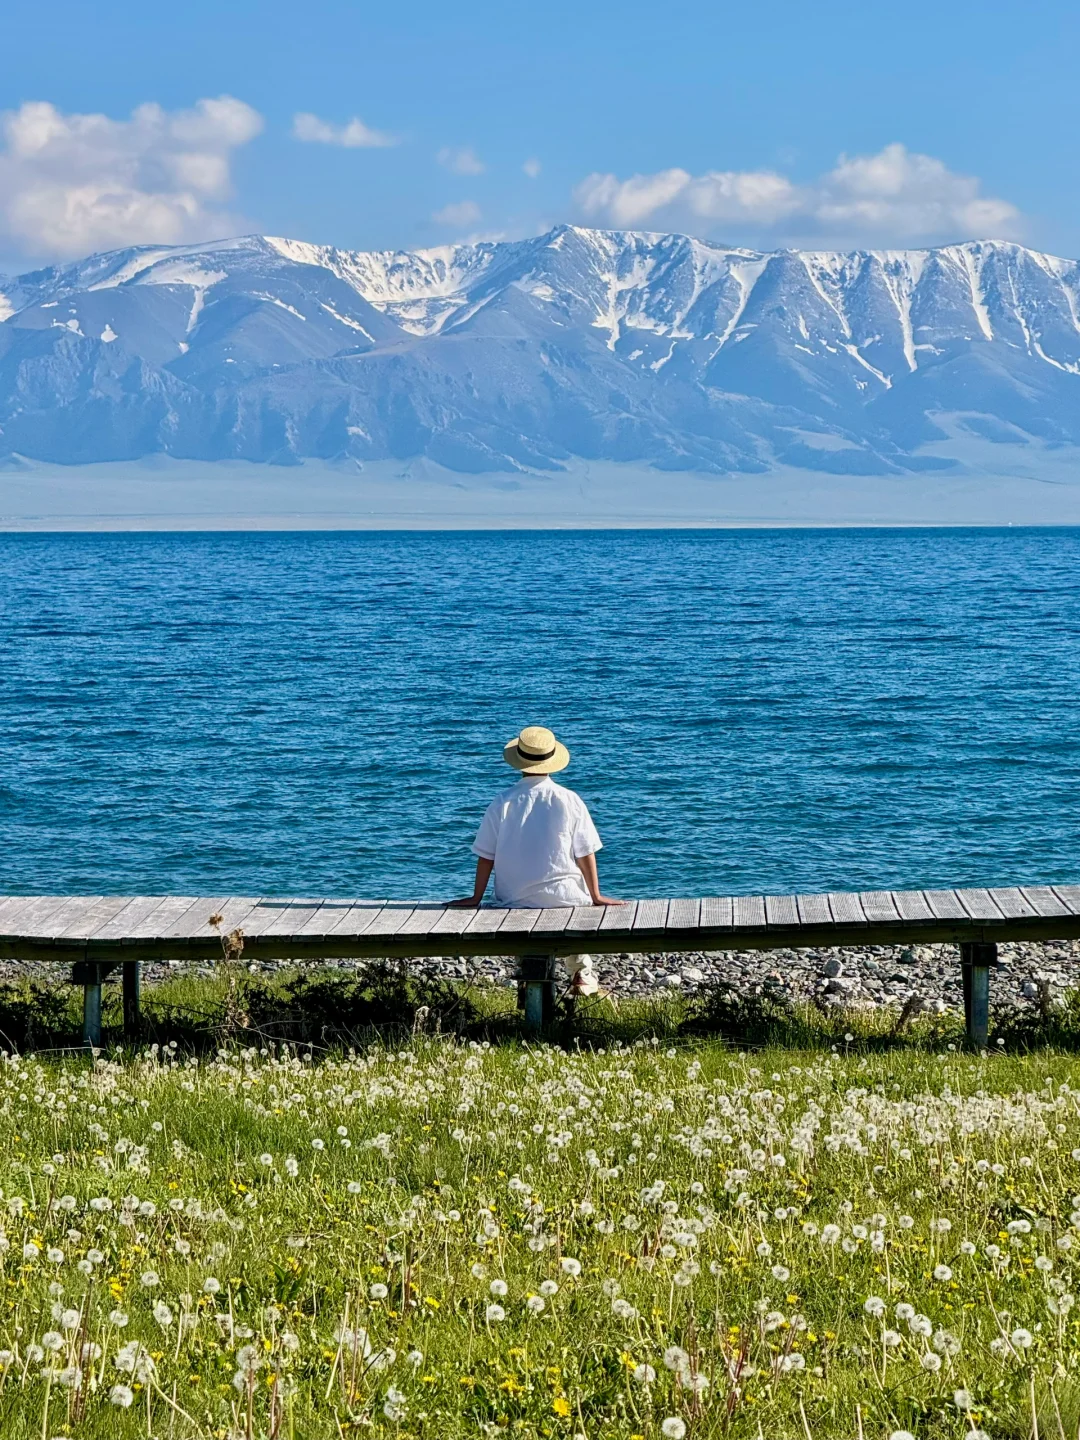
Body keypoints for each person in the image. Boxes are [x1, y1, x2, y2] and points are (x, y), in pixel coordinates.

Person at [448, 725, 622, 996]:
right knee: (573, 904)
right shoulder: (569, 799)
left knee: (522, 923)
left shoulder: (502, 802)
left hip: (514, 901)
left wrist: (475, 897)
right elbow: (585, 852)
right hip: (564, 899)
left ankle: (530, 976)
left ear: (519, 761)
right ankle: (581, 972)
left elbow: (486, 856)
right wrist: (596, 895)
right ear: (552, 761)